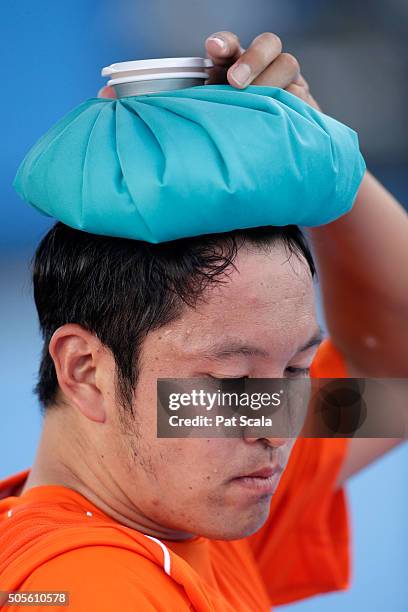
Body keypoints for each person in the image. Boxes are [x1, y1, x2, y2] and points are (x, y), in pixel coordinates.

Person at [0, 30, 406, 611]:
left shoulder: (187, 501)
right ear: (86, 371)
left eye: (296, 367)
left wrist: (308, 143)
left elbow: (396, 377)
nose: (277, 427)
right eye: (233, 382)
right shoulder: (96, 588)